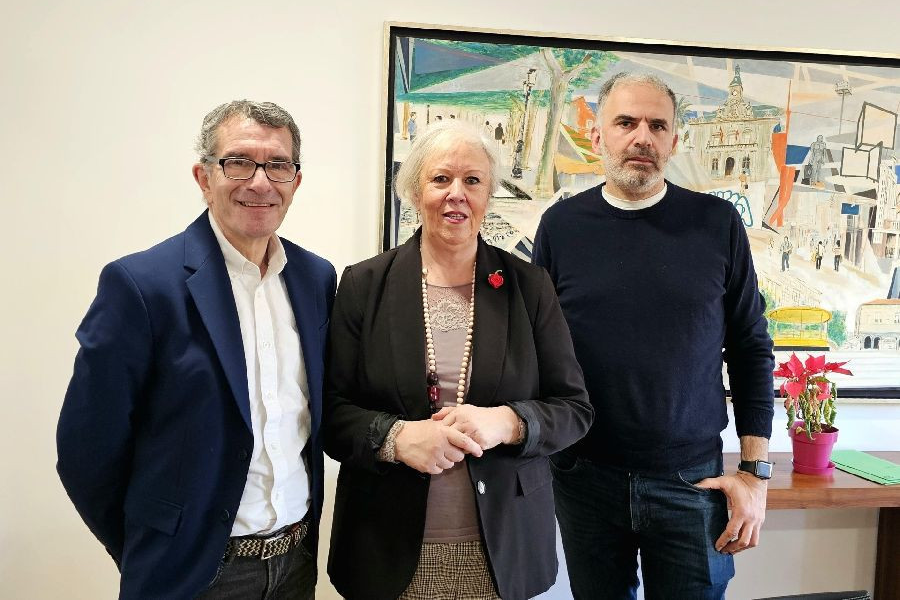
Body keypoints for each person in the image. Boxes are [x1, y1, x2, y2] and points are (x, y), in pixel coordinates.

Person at [57, 101, 336, 599]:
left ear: (296, 181)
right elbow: (86, 451)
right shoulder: (141, 286)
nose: (260, 182)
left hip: (295, 565)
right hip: (195, 576)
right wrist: (153, 547)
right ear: (204, 178)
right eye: (239, 162)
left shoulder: (316, 279)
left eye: (277, 165)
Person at [324, 121, 593, 600]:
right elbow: (332, 412)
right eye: (440, 179)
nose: (457, 194)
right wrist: (395, 438)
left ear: (489, 193)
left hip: (503, 550)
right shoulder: (364, 285)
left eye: (473, 180)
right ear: (415, 191)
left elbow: (574, 410)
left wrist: (509, 422)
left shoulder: (529, 286)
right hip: (384, 547)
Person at [533, 73, 774, 600]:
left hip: (692, 483)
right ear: (597, 135)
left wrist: (755, 472)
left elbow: (750, 346)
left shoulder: (717, 223)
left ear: (674, 140)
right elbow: (535, 347)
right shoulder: (561, 226)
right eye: (626, 122)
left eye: (657, 125)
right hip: (585, 477)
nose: (642, 136)